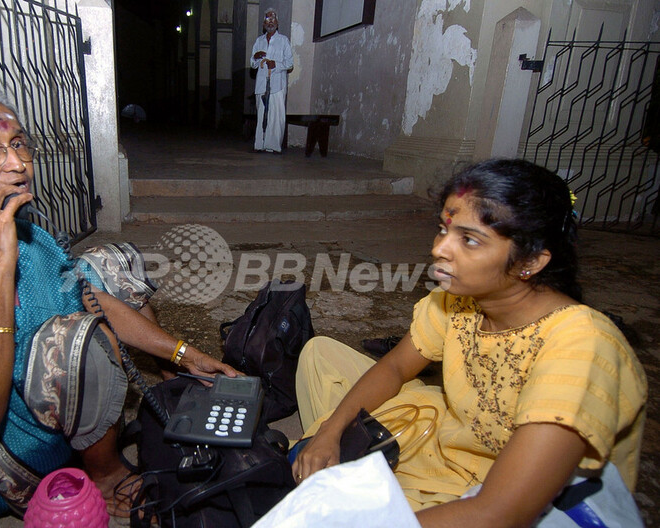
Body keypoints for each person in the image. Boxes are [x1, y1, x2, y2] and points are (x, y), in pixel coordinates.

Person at [0, 77, 238, 522]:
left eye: (19, 144)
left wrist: (183, 353)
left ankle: (161, 388)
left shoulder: (26, 236)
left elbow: (91, 297)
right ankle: (103, 473)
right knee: (75, 340)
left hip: (23, 400)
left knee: (109, 262)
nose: (17, 164)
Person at [291, 159, 647, 526]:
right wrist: (330, 433)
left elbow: (499, 512)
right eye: (443, 230)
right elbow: (396, 366)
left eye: (470, 240)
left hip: (496, 490)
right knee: (321, 354)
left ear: (530, 261)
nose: (440, 249)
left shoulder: (581, 345)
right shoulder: (459, 301)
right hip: (448, 436)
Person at [251, 7, 293, 153]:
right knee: (261, 113)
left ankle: (273, 146)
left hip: (277, 84)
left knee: (276, 115)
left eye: (273, 18)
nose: (270, 22)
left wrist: (276, 65)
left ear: (277, 22)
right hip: (262, 84)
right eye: (267, 19)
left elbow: (289, 63)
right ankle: (260, 144)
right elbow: (253, 63)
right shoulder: (259, 41)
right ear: (264, 24)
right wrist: (256, 57)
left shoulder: (283, 40)